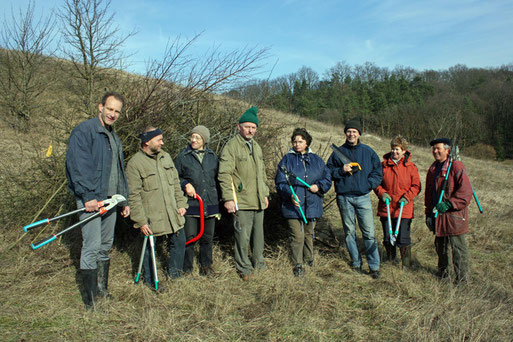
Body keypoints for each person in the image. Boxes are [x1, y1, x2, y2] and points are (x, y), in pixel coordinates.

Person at [65, 91, 130, 309]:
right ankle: (90, 300)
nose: (113, 114)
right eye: (110, 109)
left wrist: (124, 200)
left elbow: (119, 172)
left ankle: (102, 289)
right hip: (92, 200)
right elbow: (78, 166)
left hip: (111, 201)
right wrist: (87, 196)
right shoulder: (84, 131)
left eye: (117, 111)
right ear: (100, 107)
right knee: (91, 246)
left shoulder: (115, 138)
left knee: (105, 246)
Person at [126, 127, 188, 291]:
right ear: (147, 142)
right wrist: (140, 221)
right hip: (151, 216)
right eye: (159, 139)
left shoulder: (165, 157)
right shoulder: (135, 164)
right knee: (149, 248)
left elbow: (175, 183)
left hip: (172, 212)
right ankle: (149, 280)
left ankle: (175, 276)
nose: (162, 142)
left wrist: (181, 204)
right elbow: (133, 195)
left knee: (179, 241)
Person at [327, 117, 383, 279]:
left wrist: (368, 185)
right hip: (344, 197)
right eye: (349, 131)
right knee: (349, 232)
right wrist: (341, 171)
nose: (351, 134)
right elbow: (328, 171)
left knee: (369, 233)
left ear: (359, 134)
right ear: (345, 133)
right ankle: (356, 262)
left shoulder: (368, 152)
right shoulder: (337, 153)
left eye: (354, 132)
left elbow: (378, 172)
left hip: (363, 197)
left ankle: (374, 266)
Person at [218, 106, 269, 280]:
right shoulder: (232, 146)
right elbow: (224, 174)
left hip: (258, 200)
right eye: (247, 126)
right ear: (239, 127)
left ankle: (259, 264)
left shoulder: (257, 147)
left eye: (253, 127)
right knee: (242, 236)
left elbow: (262, 173)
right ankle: (244, 268)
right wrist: (228, 199)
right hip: (241, 200)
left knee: (258, 236)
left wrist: (265, 194)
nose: (250, 130)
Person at [275, 128, 332, 277]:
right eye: (294, 141)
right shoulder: (287, 160)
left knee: (309, 234)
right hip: (293, 206)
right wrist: (290, 194)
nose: (297, 144)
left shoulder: (317, 160)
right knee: (297, 236)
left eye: (300, 141)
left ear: (307, 142)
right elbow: (280, 182)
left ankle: (309, 259)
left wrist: (318, 186)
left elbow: (327, 178)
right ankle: (297, 264)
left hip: (312, 204)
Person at [425, 138, 473, 283]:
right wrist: (428, 212)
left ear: (447, 150)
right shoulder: (433, 168)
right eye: (434, 149)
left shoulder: (456, 166)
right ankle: (444, 275)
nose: (435, 151)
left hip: (454, 217)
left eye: (438, 148)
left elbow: (465, 192)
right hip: (438, 216)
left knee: (458, 250)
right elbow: (429, 192)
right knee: (441, 247)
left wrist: (449, 204)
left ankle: (462, 281)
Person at [174, 125, 220, 276]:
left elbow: (218, 178)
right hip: (192, 204)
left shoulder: (213, 157)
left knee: (207, 237)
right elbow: (175, 177)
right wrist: (184, 184)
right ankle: (187, 268)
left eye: (197, 137)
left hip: (210, 203)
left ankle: (206, 266)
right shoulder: (183, 157)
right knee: (190, 237)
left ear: (204, 140)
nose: (193, 140)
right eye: (192, 136)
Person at [374, 136, 421, 268]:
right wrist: (382, 193)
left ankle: (406, 265)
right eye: (393, 149)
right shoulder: (383, 166)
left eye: (398, 150)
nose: (395, 152)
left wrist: (407, 198)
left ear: (404, 151)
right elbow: (376, 183)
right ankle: (390, 261)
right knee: (388, 238)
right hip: (387, 208)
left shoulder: (411, 167)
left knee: (403, 238)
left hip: (403, 209)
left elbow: (416, 186)